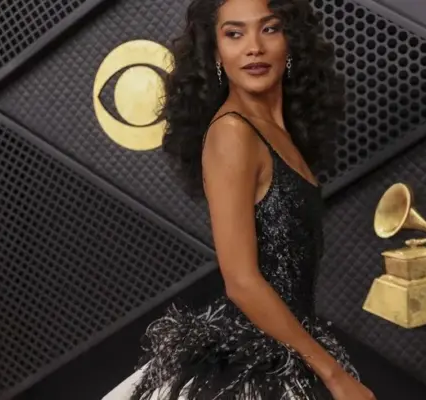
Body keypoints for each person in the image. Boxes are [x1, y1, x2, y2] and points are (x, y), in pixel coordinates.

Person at [104, 0, 375, 399]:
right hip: (252, 366)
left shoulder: (278, 133)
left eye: (269, 28)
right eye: (234, 34)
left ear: (291, 40)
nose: (254, 47)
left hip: (289, 348)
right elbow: (242, 282)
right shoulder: (233, 132)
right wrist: (335, 376)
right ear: (215, 52)